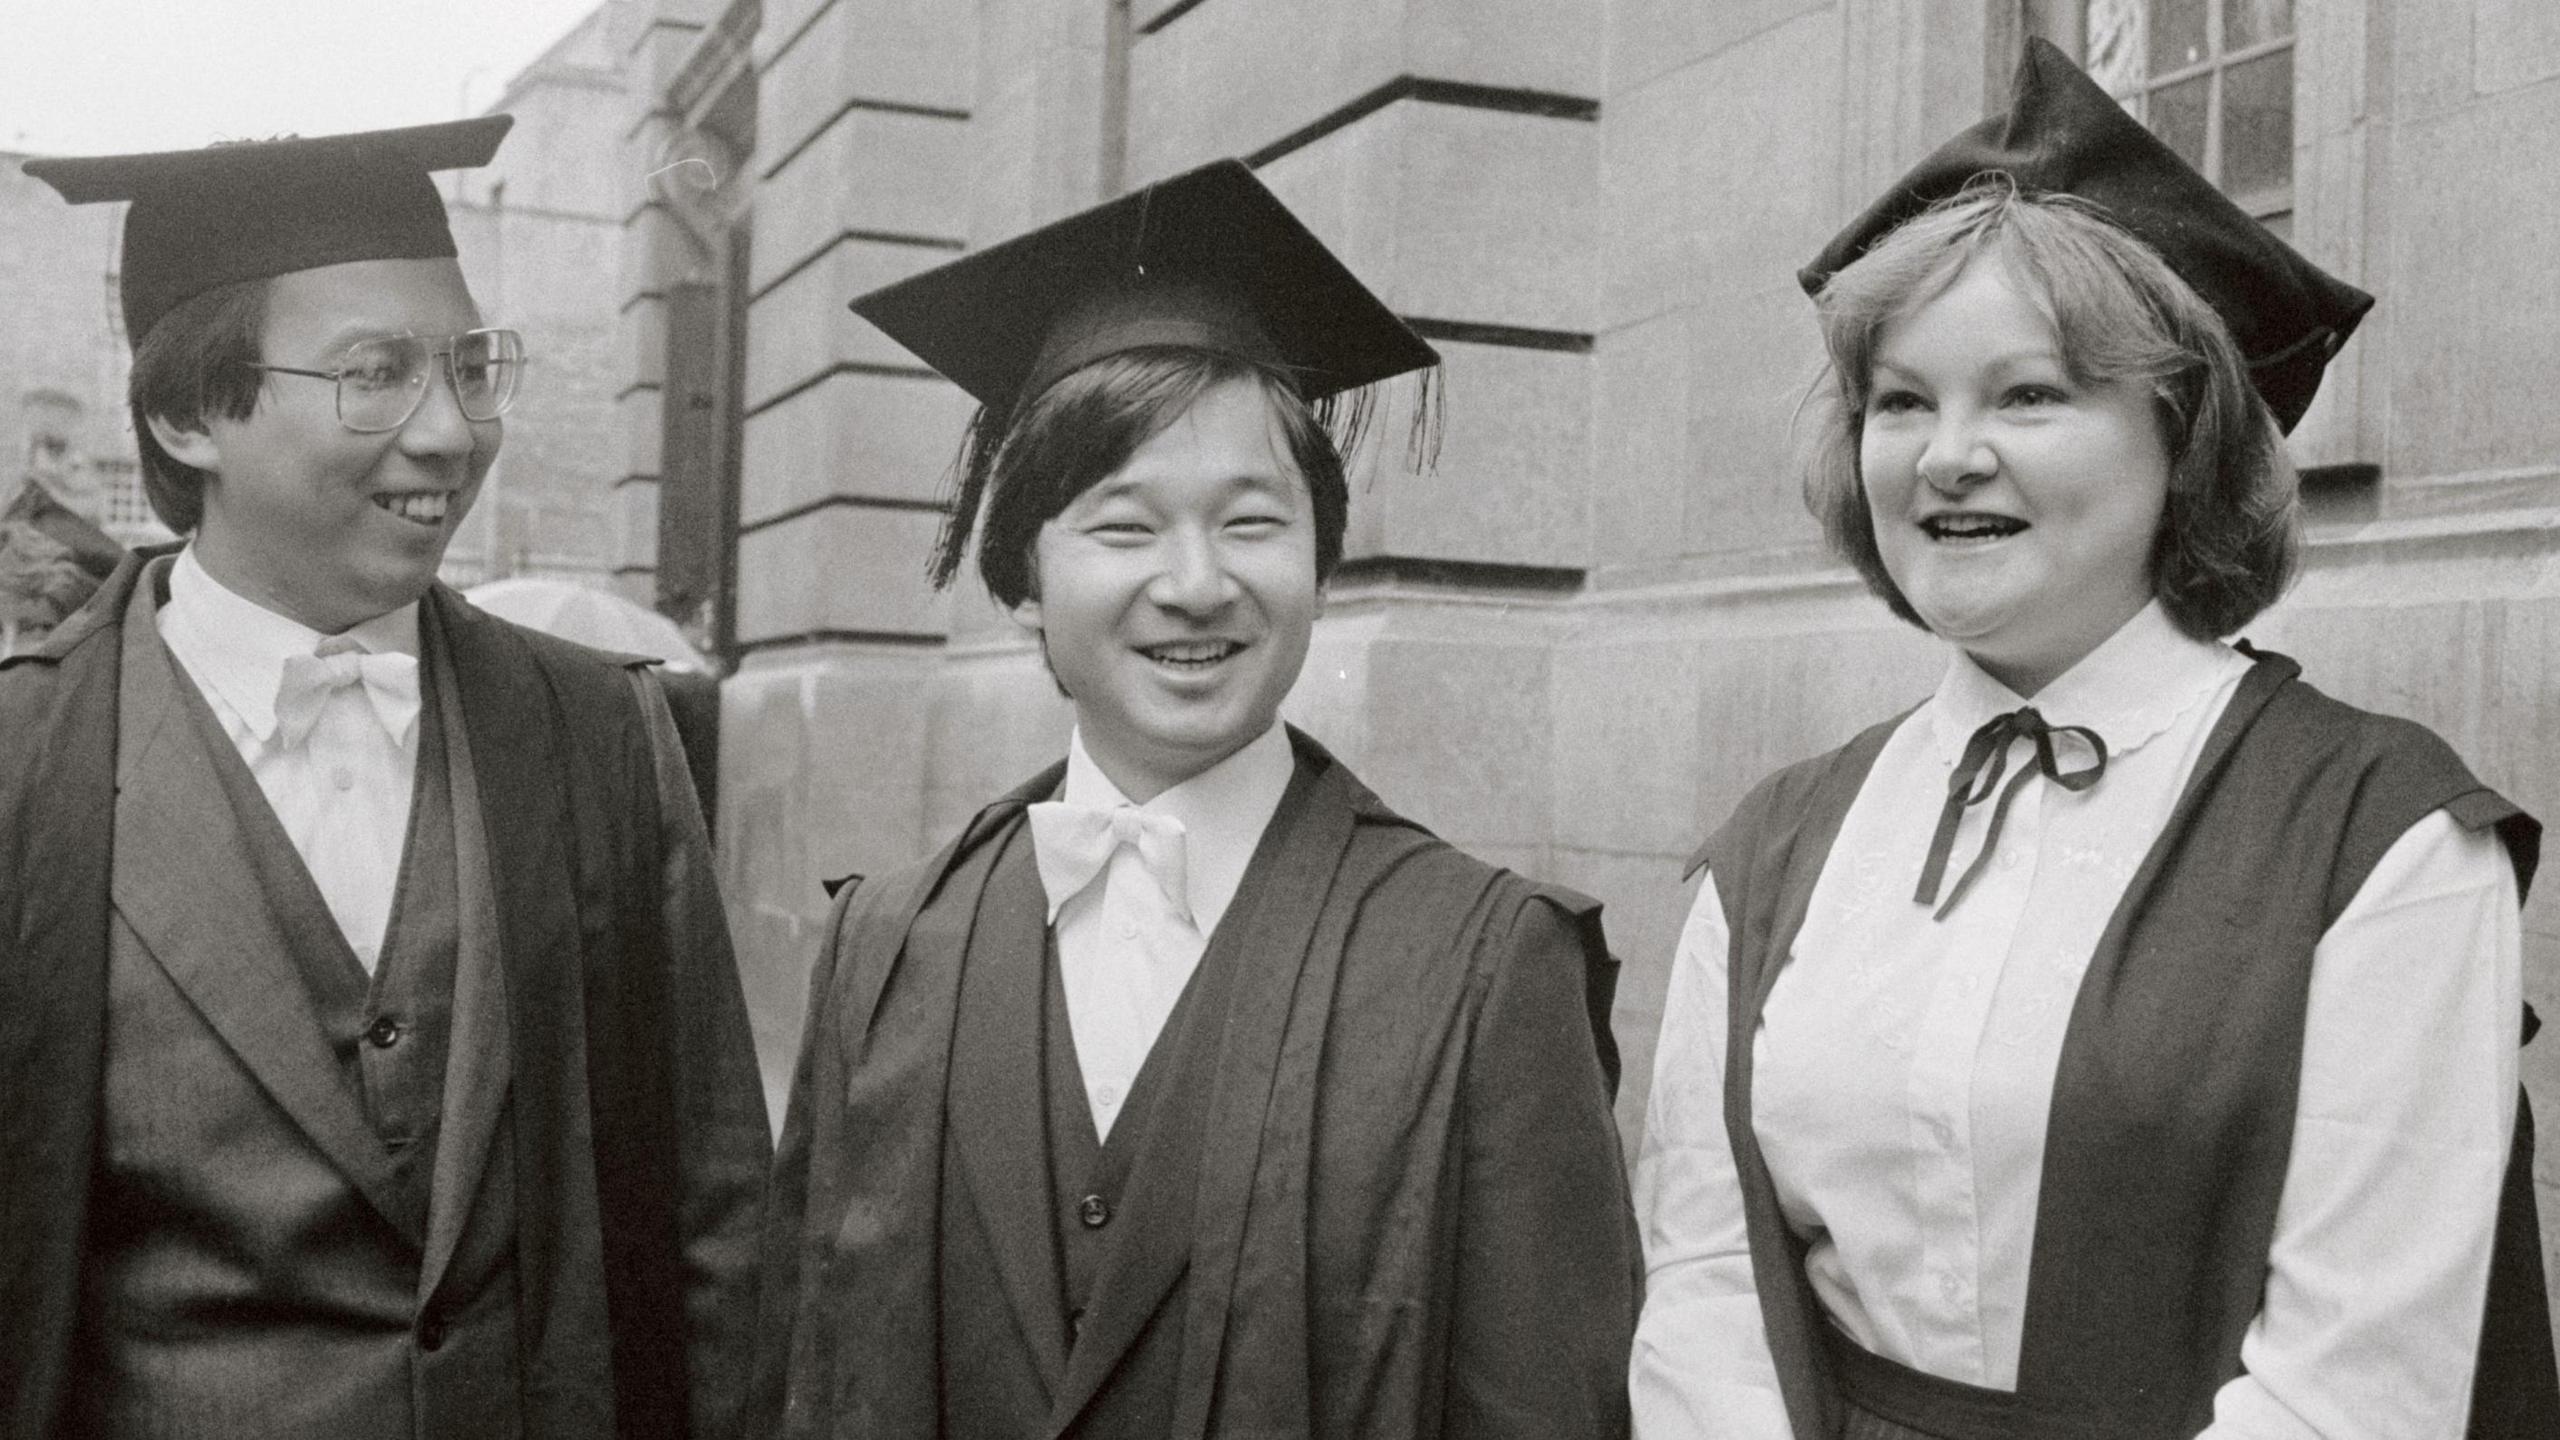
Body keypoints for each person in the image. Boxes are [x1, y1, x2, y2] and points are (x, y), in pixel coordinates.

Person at [1628, 40, 2555, 1440]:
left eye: (2030, 393)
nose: (1948, 454)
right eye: (1902, 400)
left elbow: (2361, 1386)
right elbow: (1705, 1297)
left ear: (2184, 437)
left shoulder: (2386, 840)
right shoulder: (1772, 850)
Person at [757, 159, 1639, 1439]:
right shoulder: (883, 952)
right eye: (1123, 527)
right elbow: (810, 1372)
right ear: (1021, 580)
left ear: (1320, 563)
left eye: (1251, 522)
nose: (1196, 583)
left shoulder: (1485, 967)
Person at [0, 119, 768, 1440]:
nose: (453, 431)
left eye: (471, 366)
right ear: (189, 413)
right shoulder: (24, 764)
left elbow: (715, 1222)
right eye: (376, 373)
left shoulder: (598, 734)